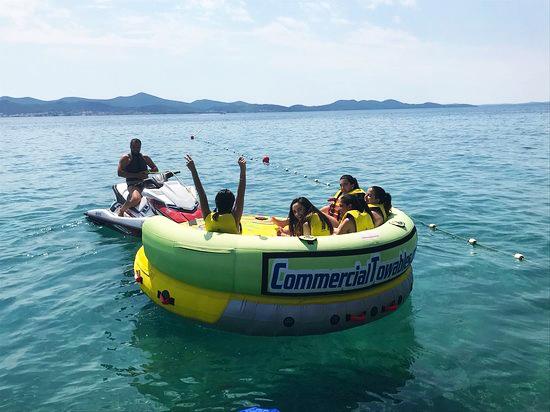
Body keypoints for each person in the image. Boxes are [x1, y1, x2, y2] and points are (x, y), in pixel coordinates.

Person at [185, 154, 246, 234]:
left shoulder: (208, 217)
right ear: (233, 204)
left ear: (216, 203)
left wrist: (193, 170)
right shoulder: (234, 218)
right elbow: (241, 194)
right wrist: (243, 169)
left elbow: (201, 194)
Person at [117, 138, 158, 217]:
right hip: (133, 184)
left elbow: (155, 169)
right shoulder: (126, 158)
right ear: (130, 147)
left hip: (145, 182)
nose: (136, 149)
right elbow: (119, 173)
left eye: (138, 147)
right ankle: (122, 210)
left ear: (140, 147)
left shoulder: (145, 157)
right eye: (134, 147)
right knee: (136, 199)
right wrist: (137, 175)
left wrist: (148, 172)